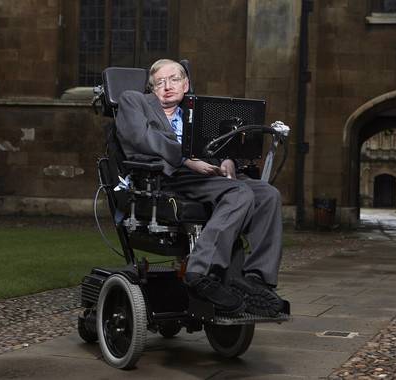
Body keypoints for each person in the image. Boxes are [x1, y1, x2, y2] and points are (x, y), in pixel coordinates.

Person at [116, 59, 284, 317]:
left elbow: (217, 146)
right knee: (240, 193)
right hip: (168, 175)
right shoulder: (134, 101)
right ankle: (201, 271)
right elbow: (143, 138)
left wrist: (227, 159)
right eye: (159, 82)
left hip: (209, 174)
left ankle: (257, 280)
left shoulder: (198, 110)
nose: (167, 86)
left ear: (186, 84)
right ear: (151, 89)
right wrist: (186, 158)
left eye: (174, 79)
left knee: (268, 195)